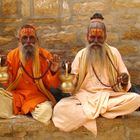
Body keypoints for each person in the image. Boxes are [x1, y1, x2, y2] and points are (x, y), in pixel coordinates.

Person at [52, 13, 140, 135]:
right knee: (59, 109)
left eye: (100, 38)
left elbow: (124, 75)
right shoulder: (81, 54)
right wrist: (68, 73)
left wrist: (124, 79)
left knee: (136, 99)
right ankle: (104, 112)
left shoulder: (113, 53)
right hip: (84, 97)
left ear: (105, 37)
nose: (96, 41)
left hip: (108, 96)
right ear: (87, 36)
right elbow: (71, 86)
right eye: (92, 37)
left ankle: (92, 113)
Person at [0, 24, 61, 124]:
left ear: (36, 40)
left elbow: (52, 85)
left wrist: (53, 71)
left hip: (37, 98)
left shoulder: (45, 55)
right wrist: (3, 69)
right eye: (25, 38)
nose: (28, 41)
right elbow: (7, 83)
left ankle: (23, 110)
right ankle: (26, 110)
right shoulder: (12, 55)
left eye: (31, 38)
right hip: (17, 96)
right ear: (19, 40)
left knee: (46, 112)